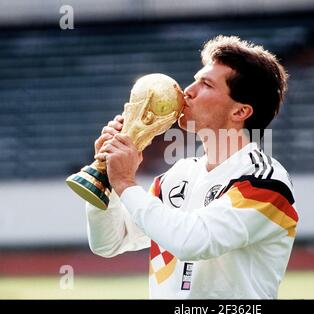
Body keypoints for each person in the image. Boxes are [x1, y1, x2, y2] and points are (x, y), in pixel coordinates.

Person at [87, 35, 299, 299]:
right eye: (196, 78)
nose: (188, 90)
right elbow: (109, 242)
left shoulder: (266, 181)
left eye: (206, 84)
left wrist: (126, 183)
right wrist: (104, 177)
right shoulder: (177, 175)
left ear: (240, 112)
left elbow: (193, 242)